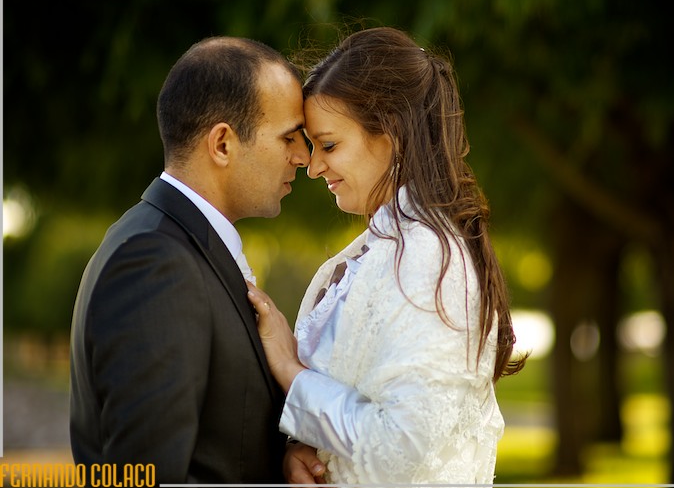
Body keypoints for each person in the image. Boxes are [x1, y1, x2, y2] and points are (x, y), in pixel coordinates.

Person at [248, 26, 528, 486]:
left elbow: (402, 448)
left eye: (329, 145)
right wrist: (303, 448)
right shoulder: (386, 249)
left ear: (392, 133)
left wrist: (291, 371)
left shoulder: (427, 258)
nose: (313, 166)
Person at [69, 36, 324, 485]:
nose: (303, 157)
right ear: (222, 143)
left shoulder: (175, 245)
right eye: (289, 137)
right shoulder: (155, 263)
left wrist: (279, 461)